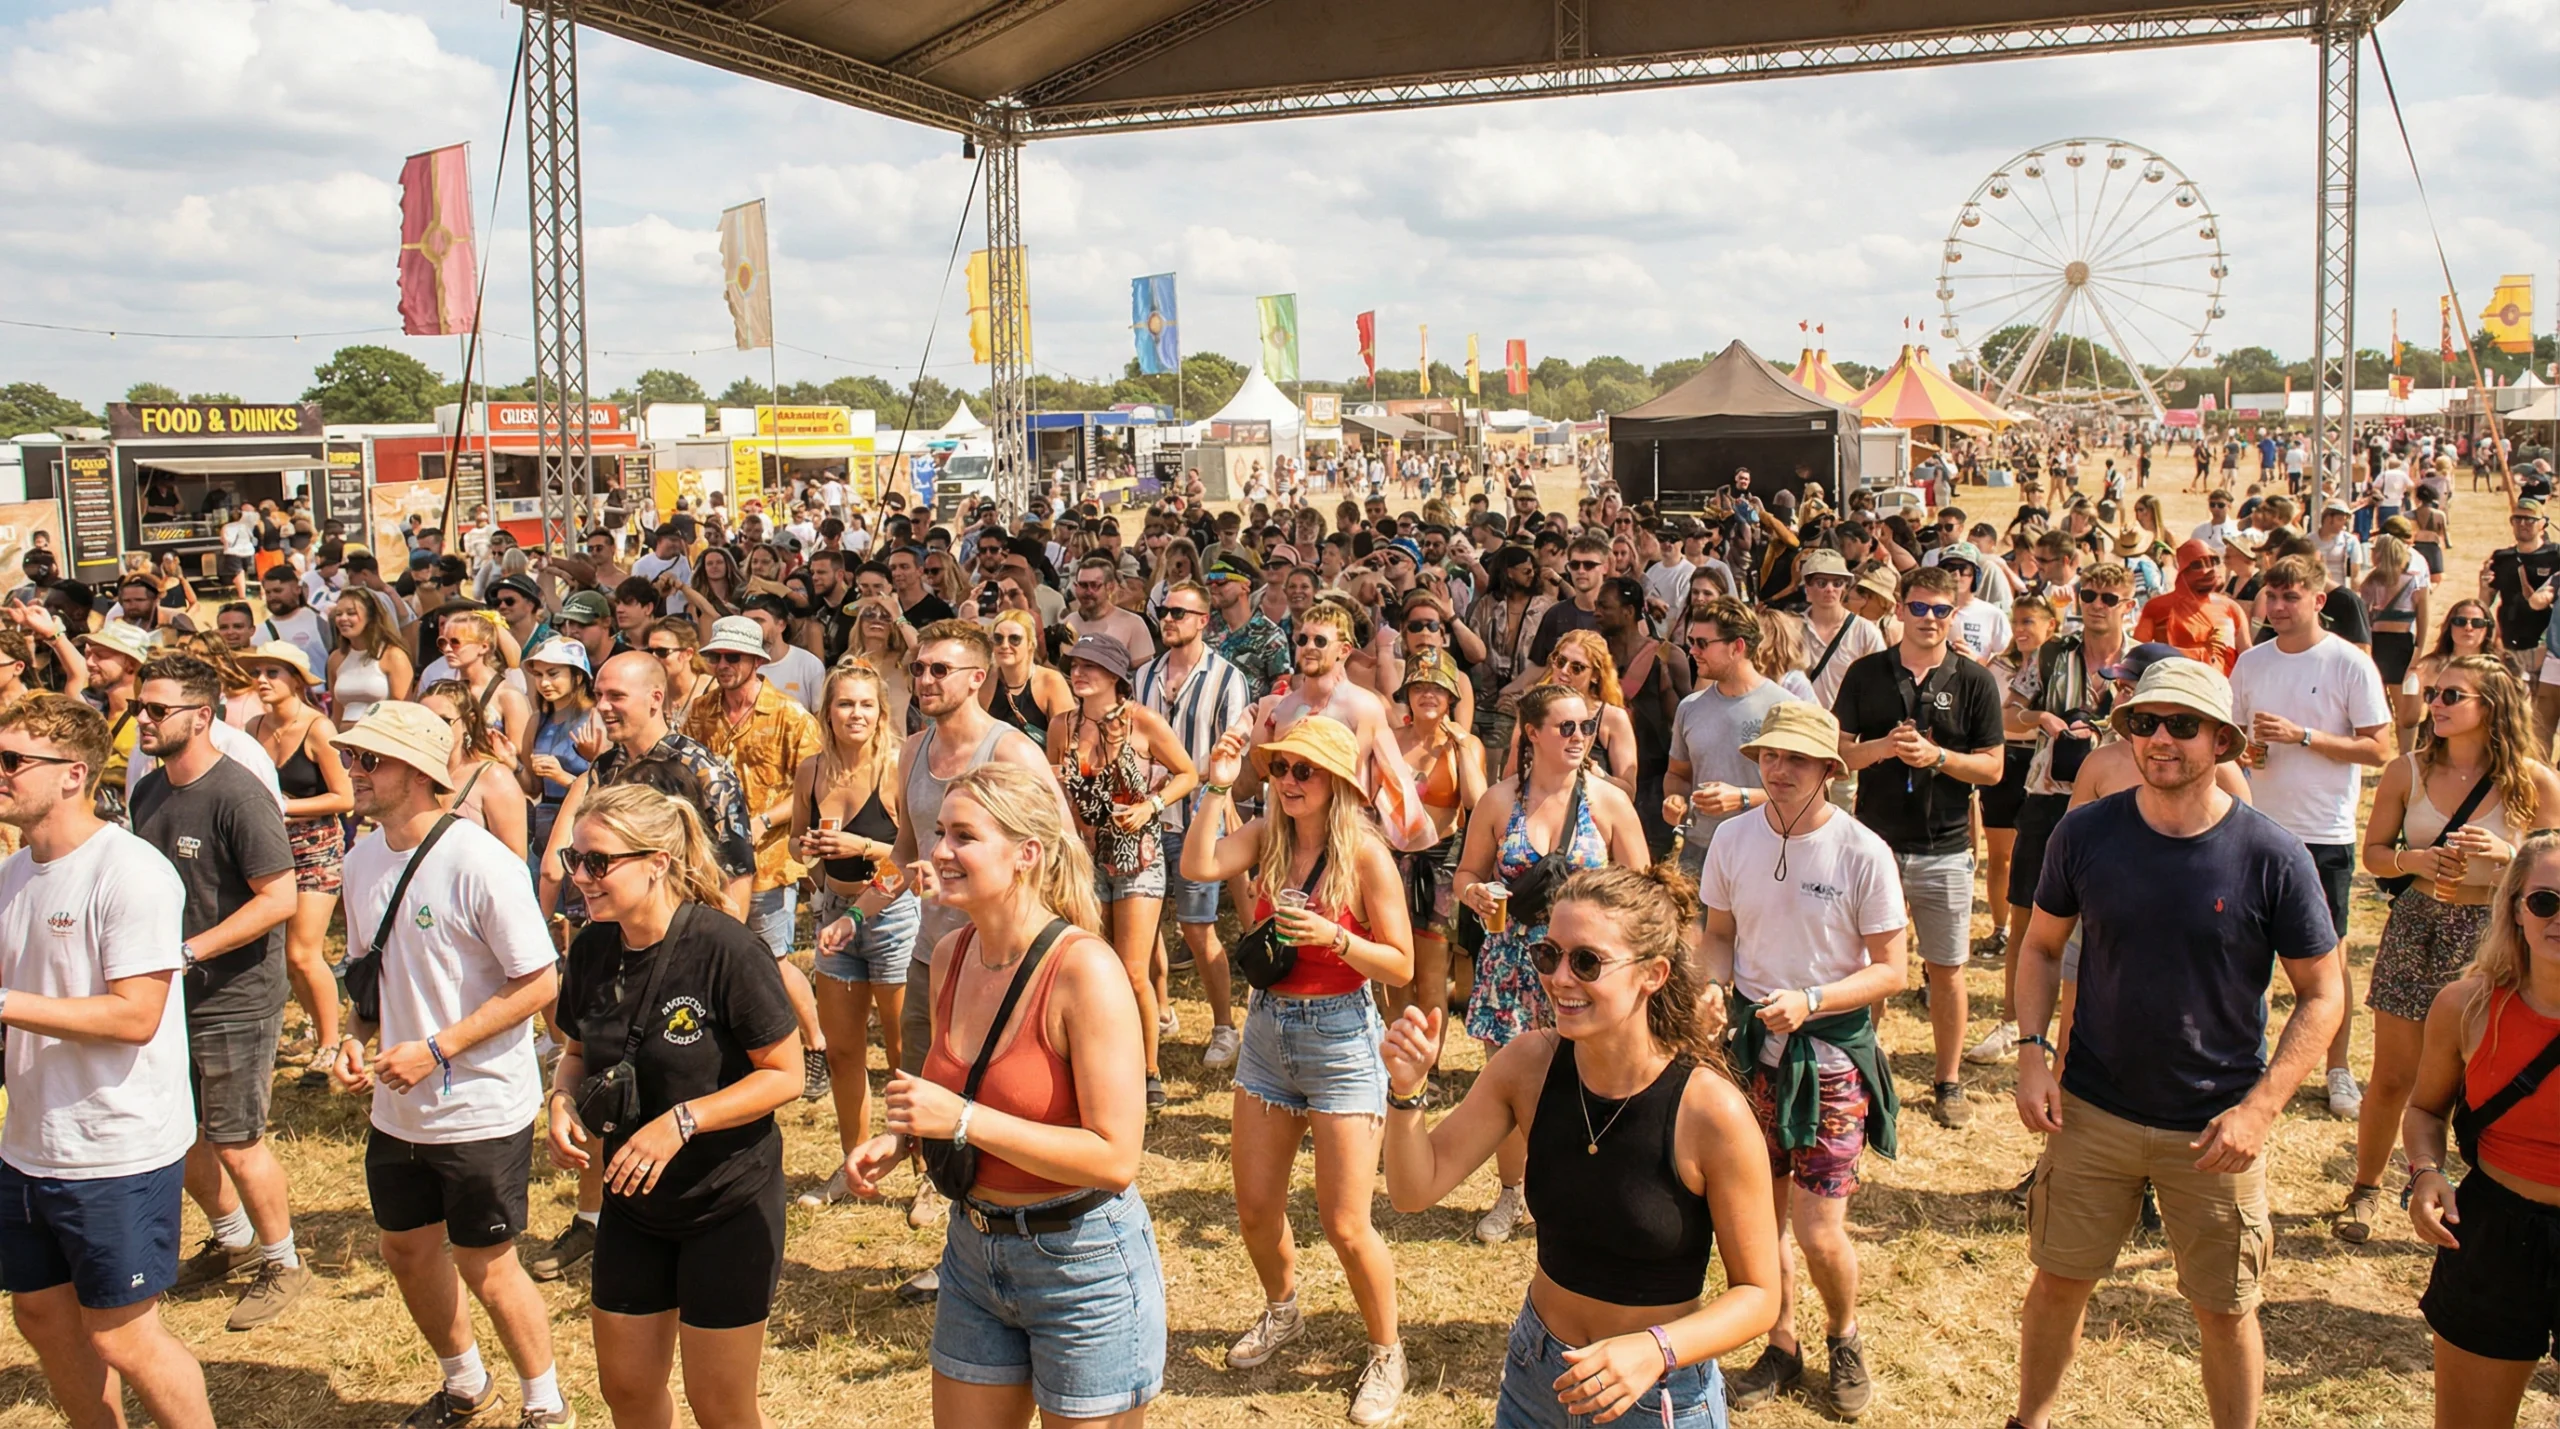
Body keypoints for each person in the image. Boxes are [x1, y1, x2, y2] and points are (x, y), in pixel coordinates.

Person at [2009, 658, 2346, 1429]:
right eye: (2144, 722)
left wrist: (2261, 1109)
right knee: (2057, 1282)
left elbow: (2324, 993)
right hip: (2091, 1111)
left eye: (2182, 724)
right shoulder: (2085, 831)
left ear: (2222, 740)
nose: (2159, 738)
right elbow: (2040, 946)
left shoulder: (2271, 854)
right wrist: (2031, 1051)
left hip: (2215, 1129)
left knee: (2225, 1308)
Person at [1380, 862, 1783, 1429]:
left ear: (1653, 974)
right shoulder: (1528, 1065)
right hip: (1538, 1375)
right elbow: (1412, 1191)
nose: (1560, 978)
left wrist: (1655, 1349)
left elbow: (1760, 1296)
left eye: (1587, 962)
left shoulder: (1710, 1111)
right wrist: (1406, 1092)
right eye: (1549, 955)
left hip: (1655, 1393)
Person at [841, 763, 1163, 1426]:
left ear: (1027, 854)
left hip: (1081, 1264)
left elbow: (1115, 1158)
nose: (939, 851)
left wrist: (963, 1119)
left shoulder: (1085, 970)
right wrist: (902, 1138)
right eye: (939, 832)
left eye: (964, 836)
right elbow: (957, 1087)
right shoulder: (951, 955)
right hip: (972, 1251)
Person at [324, 702, 572, 1428]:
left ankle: (545, 1403)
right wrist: (352, 1037)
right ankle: (465, 1385)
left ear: (417, 773)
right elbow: (369, 978)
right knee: (404, 1248)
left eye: (369, 759)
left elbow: (539, 981)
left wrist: (435, 1049)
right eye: (352, 756)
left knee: (486, 1264)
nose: (353, 770)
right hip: (398, 1107)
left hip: (478, 1104)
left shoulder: (479, 862)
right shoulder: (360, 861)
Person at [1183, 716, 1416, 1425]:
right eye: (1281, 767)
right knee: (1256, 1208)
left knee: (1345, 1223)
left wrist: (1337, 938)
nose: (1288, 780)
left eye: (1304, 770)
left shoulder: (1367, 855)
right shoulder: (1266, 836)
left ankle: (1387, 1351)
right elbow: (1198, 866)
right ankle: (1282, 1310)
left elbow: (1401, 964)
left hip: (1341, 1036)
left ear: (1336, 782)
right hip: (1267, 1031)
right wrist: (1215, 788)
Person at [0, 695, 216, 1429]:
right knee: (39, 1313)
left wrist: (6, 1003)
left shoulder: (131, 873)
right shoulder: (13, 873)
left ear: (73, 774)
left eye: (12, 760)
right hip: (30, 1141)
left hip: (115, 1146)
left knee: (124, 1336)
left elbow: (135, 1015)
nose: (0, 773)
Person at [1700, 702, 1907, 1418]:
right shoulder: (1732, 838)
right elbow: (1718, 934)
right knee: (1759, 1222)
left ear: (1829, 769)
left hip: (1831, 1062)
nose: (1779, 769)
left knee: (1819, 1232)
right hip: (1751, 1056)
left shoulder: (1862, 851)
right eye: (1770, 755)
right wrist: (1712, 986)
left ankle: (1843, 1337)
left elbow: (1892, 969)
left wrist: (1812, 999)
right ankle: (1780, 1343)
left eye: (1796, 758)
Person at [2337, 656, 2559, 1243]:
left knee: (2483, 1076)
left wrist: (2509, 859)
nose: (2434, 703)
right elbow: (2374, 855)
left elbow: (2552, 871)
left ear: (2492, 706)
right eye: (2435, 692)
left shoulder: (2535, 782)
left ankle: (2469, 1190)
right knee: (2392, 1078)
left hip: (2497, 936)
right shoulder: (2407, 770)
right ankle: (2366, 1189)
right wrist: (2415, 859)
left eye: (2452, 695)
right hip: (2417, 925)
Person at [127, 654, 309, 1332]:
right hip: (166, 991)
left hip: (234, 993)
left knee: (236, 1140)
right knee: (178, 1131)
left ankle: (283, 1261)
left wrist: (189, 950)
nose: (143, 720)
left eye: (157, 709)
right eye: (139, 708)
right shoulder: (148, 790)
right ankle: (232, 1237)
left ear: (202, 716)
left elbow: (280, 897)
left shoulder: (238, 794)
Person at [883, 620, 1064, 1292]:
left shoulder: (1011, 751)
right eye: (919, 668)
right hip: (934, 954)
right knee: (930, 1084)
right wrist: (857, 914)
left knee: (994, 1096)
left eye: (940, 669)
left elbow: (1058, 846)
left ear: (977, 678)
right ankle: (952, 1225)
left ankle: (1004, 1245)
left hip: (1005, 959)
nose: (925, 679)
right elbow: (904, 854)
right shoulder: (910, 751)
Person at [1456, 682, 1652, 1244]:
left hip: (1586, 968)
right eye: (1566, 727)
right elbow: (1466, 872)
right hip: (1513, 962)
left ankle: (1594, 1191)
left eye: (1586, 727)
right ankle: (1512, 1193)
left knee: (1594, 1081)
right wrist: (1474, 894)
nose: (1579, 737)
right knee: (1509, 1082)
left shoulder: (1607, 801)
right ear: (1532, 733)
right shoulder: (1499, 801)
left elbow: (1644, 888)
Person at [1833, 565, 2006, 1130]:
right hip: (1875, 844)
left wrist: (1939, 758)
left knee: (1947, 968)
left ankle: (1947, 1081)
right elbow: (1839, 756)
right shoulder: (1867, 673)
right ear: (1899, 609)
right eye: (1918, 607)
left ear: (1954, 615)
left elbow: (1993, 768)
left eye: (1940, 610)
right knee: (1869, 965)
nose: (1929, 619)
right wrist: (1884, 747)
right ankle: (1860, 1070)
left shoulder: (1974, 680)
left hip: (1945, 846)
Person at [2400, 828, 2560, 1428]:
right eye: (2545, 901)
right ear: (2516, 908)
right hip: (2494, 1230)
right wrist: (2426, 1173)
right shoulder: (2465, 1006)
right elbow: (2424, 1110)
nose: (2559, 917)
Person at [2228, 553, 2394, 1120]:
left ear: (2319, 601)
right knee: (2243, 951)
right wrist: (2247, 751)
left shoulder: (2349, 662)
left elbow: (2379, 749)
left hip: (2324, 833)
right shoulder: (2251, 662)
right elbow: (2234, 737)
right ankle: (2242, 1061)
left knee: (2327, 960)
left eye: (2290, 597)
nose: (2277, 607)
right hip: (2256, 827)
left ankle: (2338, 1069)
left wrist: (2303, 736)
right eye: (2271, 597)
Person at [1046, 633, 1197, 1113]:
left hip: (1138, 855)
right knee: (1091, 968)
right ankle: (1099, 1061)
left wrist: (1151, 805)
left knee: (1132, 971)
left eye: (1090, 665)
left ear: (1115, 675)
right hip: (1085, 858)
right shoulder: (1062, 725)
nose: (1079, 673)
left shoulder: (1142, 721)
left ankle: (1148, 1071)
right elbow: (1059, 789)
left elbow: (1189, 773)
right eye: (1075, 664)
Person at [685, 616, 828, 1099]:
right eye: (716, 657)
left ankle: (816, 1044)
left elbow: (812, 786)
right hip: (711, 861)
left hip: (768, 861)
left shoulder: (791, 717)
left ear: (756, 662)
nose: (722, 665)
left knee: (774, 959)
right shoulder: (700, 712)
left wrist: (764, 820)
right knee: (718, 954)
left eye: (733, 657)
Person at [794, 662, 919, 1207]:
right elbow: (795, 839)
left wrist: (861, 847)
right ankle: (855, 1168)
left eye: (867, 704)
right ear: (828, 712)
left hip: (892, 913)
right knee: (843, 1051)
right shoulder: (811, 770)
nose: (856, 714)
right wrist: (809, 854)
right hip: (834, 915)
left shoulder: (896, 767)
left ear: (882, 712)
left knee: (902, 1051)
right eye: (845, 704)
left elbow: (911, 858)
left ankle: (925, 1170)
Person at [1133, 581, 1255, 1068]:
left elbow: (1232, 753)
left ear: (1204, 620)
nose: (1168, 619)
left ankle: (1224, 1026)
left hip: (1196, 819)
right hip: (1146, 818)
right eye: (1164, 611)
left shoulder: (1228, 678)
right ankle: (1162, 1010)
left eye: (1179, 613)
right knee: (1143, 922)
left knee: (1198, 928)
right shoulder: (1143, 674)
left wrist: (1185, 778)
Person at [239, 641, 353, 1090]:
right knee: (286, 955)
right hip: (269, 848)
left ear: (297, 681)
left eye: (273, 672)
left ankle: (330, 1043)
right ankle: (312, 1027)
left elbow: (344, 797)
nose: (262, 680)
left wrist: (286, 807)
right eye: (258, 672)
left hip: (316, 848)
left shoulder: (318, 728)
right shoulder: (253, 726)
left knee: (303, 952)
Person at [1391, 649, 1485, 1052]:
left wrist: (1461, 748)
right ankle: (1396, 1058)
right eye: (1419, 687)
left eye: (1438, 688)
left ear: (1451, 698)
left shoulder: (1467, 745)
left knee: (1431, 975)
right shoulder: (1391, 741)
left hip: (1441, 864)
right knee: (1395, 971)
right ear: (1407, 695)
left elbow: (1477, 802)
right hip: (1392, 860)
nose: (1428, 694)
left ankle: (1429, 1063)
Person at [1664, 599, 1794, 882]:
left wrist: (1743, 798)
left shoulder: (1786, 708)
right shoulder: (1690, 707)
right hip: (1699, 852)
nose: (1693, 651)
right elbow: (1677, 774)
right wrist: (1675, 800)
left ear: (1737, 647)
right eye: (1691, 641)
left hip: (1766, 851)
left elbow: (1813, 791)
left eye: (1702, 643)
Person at [419, 681, 532, 859]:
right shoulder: (415, 775)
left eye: (444, 721)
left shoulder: (494, 777)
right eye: (424, 721)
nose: (432, 729)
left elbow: (515, 859)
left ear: (468, 720)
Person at [521, 637, 596, 878]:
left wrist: (562, 776)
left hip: (583, 823)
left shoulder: (596, 718)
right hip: (545, 824)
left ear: (577, 676)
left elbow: (607, 787)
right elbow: (533, 787)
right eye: (538, 675)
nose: (544, 682)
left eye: (553, 674)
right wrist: (511, 762)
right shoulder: (537, 720)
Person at [2135, 541, 2253, 673]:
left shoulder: (2230, 608)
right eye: (2197, 565)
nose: (2208, 570)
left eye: (2212, 562)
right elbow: (2138, 654)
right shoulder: (2157, 607)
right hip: (2174, 680)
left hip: (2222, 683)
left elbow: (2247, 656)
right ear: (2183, 571)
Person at [982, 607, 1071, 740]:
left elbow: (1065, 740)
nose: (1004, 645)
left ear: (1030, 643)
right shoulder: (986, 679)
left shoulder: (1051, 681)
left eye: (1015, 639)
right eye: (998, 638)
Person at [2484, 500, 2560, 655]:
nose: (2522, 524)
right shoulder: (2502, 558)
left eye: (2530, 519)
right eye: (2517, 519)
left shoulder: (2555, 555)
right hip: (2510, 643)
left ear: (2542, 524)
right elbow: (2485, 603)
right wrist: (2484, 588)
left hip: (2548, 645)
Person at [328, 589, 412, 725]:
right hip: (344, 736)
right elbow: (337, 714)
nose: (343, 618)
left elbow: (403, 712)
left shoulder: (393, 655)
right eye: (338, 614)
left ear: (371, 616)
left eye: (351, 613)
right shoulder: (335, 659)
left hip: (381, 734)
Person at [255, 565, 332, 675]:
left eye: (278, 591)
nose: (272, 597)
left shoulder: (318, 619)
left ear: (297, 590)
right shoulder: (261, 631)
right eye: (268, 592)